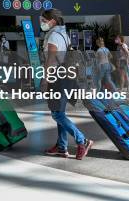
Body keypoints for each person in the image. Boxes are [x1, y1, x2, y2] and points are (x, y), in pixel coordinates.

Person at [40, 8, 93, 160]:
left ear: (53, 21)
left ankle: (83, 140)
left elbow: (50, 60)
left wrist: (45, 79)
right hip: (67, 76)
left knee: (57, 114)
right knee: (60, 112)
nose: (42, 23)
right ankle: (62, 146)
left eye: (44, 20)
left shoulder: (53, 36)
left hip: (57, 77)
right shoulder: (64, 35)